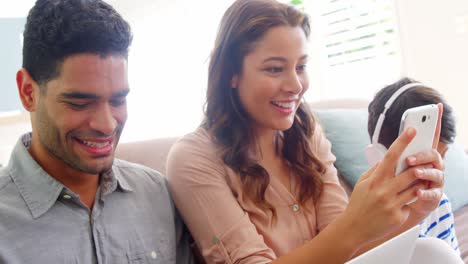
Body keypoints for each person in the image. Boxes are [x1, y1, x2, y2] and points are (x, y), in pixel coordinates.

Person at [166, 0, 463, 263]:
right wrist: (357, 222)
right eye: (274, 69)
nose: (296, 86)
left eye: (301, 66)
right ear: (231, 73)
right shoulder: (192, 158)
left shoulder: (305, 129)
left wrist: (415, 214)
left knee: (433, 253)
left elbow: (350, 246)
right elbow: (346, 237)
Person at [0, 0, 193, 263]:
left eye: (117, 100)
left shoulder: (157, 194)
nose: (107, 125)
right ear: (28, 92)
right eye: (80, 103)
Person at [368, 77, 460, 254]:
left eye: (441, 158)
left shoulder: (439, 203)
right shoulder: (365, 222)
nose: (436, 169)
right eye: (423, 162)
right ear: (380, 155)